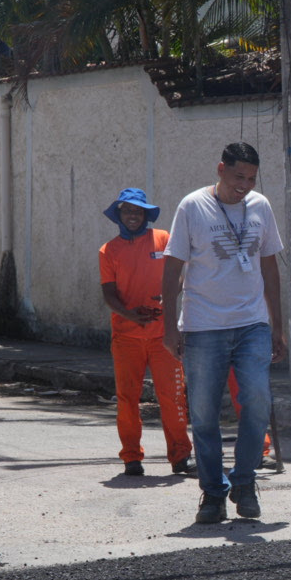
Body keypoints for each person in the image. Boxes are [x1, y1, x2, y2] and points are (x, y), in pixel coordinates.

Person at [161, 143, 286, 524]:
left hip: (251, 325)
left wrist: (276, 327)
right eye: (238, 177)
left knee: (258, 403)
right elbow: (171, 272)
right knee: (203, 414)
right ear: (220, 169)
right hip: (203, 327)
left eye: (251, 178)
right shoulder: (192, 206)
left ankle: (244, 483)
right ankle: (213, 493)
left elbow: (270, 270)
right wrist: (169, 327)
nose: (244, 185)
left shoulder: (260, 206)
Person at [99, 187, 193, 478]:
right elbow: (109, 295)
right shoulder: (108, 250)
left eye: (138, 211)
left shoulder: (163, 239)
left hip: (165, 336)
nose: (132, 216)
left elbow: (178, 275)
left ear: (145, 215)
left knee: (173, 396)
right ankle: (131, 457)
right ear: (119, 214)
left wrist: (168, 298)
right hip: (126, 337)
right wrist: (131, 315)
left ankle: (180, 456)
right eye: (127, 210)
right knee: (127, 398)